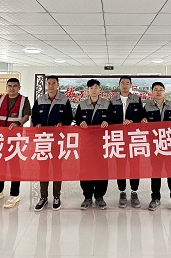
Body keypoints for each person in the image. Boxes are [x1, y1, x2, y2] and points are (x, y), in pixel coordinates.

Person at [0, 78, 31, 209]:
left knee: (14, 164)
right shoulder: (1, 99)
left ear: (19, 87)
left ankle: (15, 194)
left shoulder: (24, 100)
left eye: (15, 86)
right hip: (1, 136)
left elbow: (27, 116)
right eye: (9, 86)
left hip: (15, 137)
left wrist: (18, 123)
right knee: (0, 163)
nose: (12, 88)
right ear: (6, 87)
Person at [30, 75, 73, 211]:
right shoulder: (40, 100)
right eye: (49, 83)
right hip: (43, 140)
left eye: (53, 83)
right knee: (43, 168)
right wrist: (37, 124)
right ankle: (43, 197)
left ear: (58, 85)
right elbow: (34, 116)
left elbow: (69, 118)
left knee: (57, 168)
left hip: (58, 140)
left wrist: (62, 123)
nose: (51, 85)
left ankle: (56, 196)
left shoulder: (64, 100)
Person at [143, 81, 171, 213]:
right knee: (156, 172)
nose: (158, 92)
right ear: (152, 92)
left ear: (164, 91)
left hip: (169, 143)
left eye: (161, 89)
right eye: (156, 89)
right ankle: (155, 198)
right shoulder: (147, 106)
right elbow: (142, 122)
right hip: (155, 144)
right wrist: (143, 121)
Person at [75, 79, 111, 210]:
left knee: (102, 170)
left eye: (96, 87)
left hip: (102, 143)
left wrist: (107, 122)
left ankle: (100, 196)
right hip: (86, 143)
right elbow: (77, 119)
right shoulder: (82, 104)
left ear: (99, 89)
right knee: (85, 170)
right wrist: (80, 122)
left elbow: (112, 119)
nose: (94, 90)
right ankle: (87, 197)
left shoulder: (107, 104)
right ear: (88, 90)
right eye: (91, 88)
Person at [109, 76, 144, 208]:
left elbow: (141, 116)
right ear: (119, 85)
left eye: (127, 83)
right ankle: (122, 192)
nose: (125, 85)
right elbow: (109, 118)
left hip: (133, 138)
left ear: (130, 85)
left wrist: (132, 121)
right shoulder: (113, 100)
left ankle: (134, 192)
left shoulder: (137, 99)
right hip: (119, 138)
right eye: (122, 83)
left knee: (135, 165)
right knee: (120, 166)